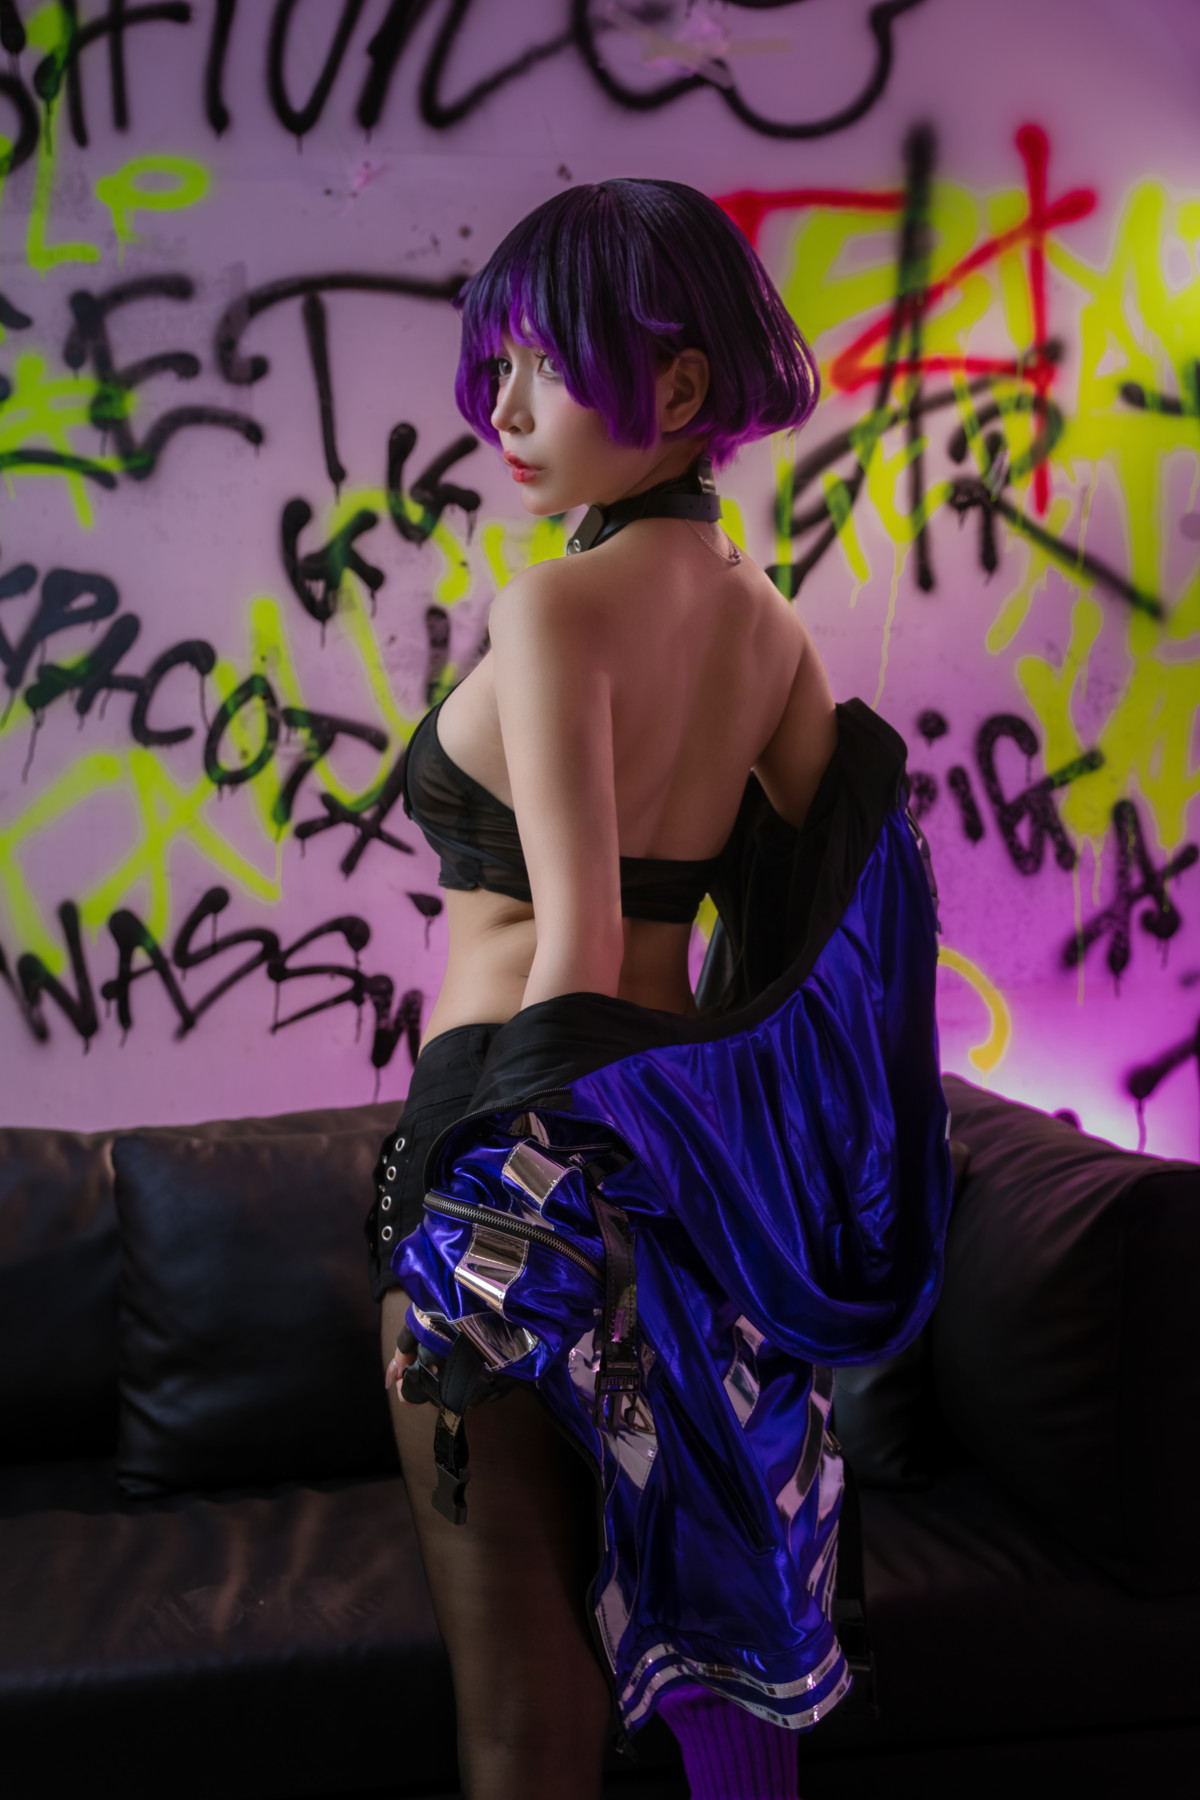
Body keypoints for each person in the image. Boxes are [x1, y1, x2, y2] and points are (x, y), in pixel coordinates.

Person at [364, 178, 951, 1800]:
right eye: (494, 371)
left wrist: (488, 1243)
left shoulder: (554, 604)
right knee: (690, 1673)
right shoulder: (770, 631)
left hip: (514, 1155)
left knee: (526, 1711)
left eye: (541, 369)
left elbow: (567, 950)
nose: (501, 411)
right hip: (680, 1192)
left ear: (681, 385)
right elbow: (843, 910)